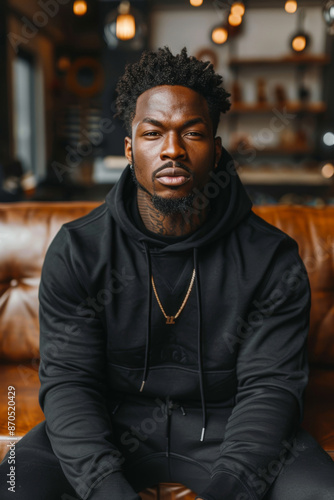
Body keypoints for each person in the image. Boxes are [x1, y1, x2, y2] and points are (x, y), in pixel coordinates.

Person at [1, 47, 334, 500]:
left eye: (192, 134)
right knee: (14, 484)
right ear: (130, 148)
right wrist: (105, 489)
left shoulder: (270, 257)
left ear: (215, 152)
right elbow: (70, 383)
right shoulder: (80, 250)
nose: (172, 150)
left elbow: (269, 391)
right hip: (111, 424)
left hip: (228, 427)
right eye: (153, 133)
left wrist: (230, 490)